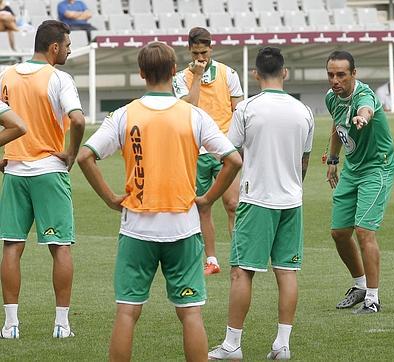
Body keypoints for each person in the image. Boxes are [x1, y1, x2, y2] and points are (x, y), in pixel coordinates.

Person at [77, 42, 242, 361]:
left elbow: (85, 156)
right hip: (183, 227)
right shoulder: (195, 116)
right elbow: (233, 160)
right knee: (191, 314)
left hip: (137, 228)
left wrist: (112, 198)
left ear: (141, 74)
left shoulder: (123, 115)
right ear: (173, 72)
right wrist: (207, 198)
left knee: (127, 313)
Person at [208, 47, 314, 360]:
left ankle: (232, 344)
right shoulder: (304, 111)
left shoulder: (246, 109)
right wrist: (294, 184)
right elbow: (304, 160)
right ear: (285, 73)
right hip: (291, 200)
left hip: (257, 199)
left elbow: (229, 154)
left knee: (242, 272)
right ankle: (283, 344)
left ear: (256, 74)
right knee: (287, 272)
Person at [0, 20, 85, 339]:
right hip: (50, 169)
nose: (69, 49)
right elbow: (77, 119)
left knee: (11, 246)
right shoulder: (59, 78)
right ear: (54, 47)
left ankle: (10, 325)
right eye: (67, 45)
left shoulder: (5, 75)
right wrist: (70, 153)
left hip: (14, 170)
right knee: (60, 246)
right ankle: (61, 324)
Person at [325, 51, 394, 314]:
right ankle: (360, 285)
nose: (335, 80)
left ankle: (373, 299)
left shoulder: (364, 96)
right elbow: (336, 124)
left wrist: (362, 117)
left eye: (341, 75)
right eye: (331, 74)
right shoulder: (331, 97)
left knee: (364, 231)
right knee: (339, 232)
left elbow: (365, 109)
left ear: (354, 74)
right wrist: (333, 158)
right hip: (352, 168)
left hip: (378, 167)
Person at [173, 27, 244, 275]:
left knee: (233, 203)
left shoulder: (228, 74)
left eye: (204, 52)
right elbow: (189, 106)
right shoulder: (181, 78)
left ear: (211, 48)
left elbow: (239, 111)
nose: (201, 58)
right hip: (195, 150)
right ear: (189, 51)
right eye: (196, 53)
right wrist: (196, 76)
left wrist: (233, 144)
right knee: (201, 206)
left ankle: (239, 256)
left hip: (225, 149)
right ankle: (211, 260)